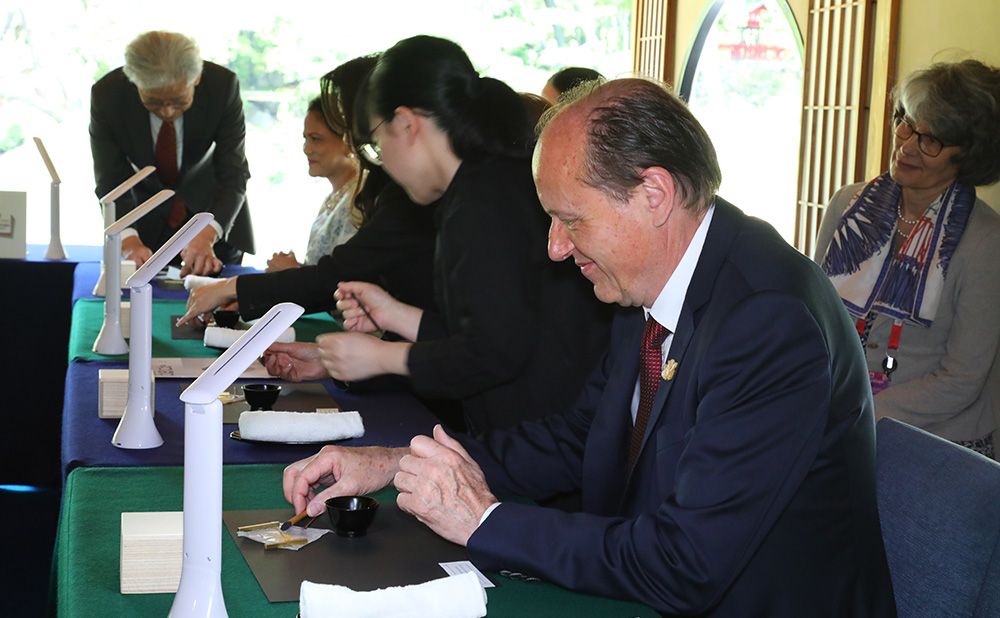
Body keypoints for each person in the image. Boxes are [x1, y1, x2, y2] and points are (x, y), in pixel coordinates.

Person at [282, 78, 897, 615]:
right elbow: (576, 439)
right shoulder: (647, 277)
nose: (554, 247)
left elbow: (687, 564)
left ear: (653, 194)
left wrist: (484, 520)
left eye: (570, 220)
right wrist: (395, 464)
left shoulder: (768, 320)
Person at [265, 35, 611, 435]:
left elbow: (493, 353)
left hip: (547, 437)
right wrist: (397, 316)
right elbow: (494, 327)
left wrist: (383, 357)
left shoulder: (485, 200)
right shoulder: (480, 184)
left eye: (377, 145)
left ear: (408, 124)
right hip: (535, 424)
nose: (384, 164)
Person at [815, 59, 1000, 459]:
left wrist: (857, 413)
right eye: (905, 121)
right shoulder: (848, 205)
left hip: (940, 442)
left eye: (930, 139)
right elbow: (814, 318)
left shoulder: (986, 243)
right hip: (840, 420)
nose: (906, 142)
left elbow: (962, 379)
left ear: (967, 154)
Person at [179, 55, 439, 324]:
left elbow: (338, 274)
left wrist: (231, 288)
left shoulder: (397, 193)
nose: (357, 139)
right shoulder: (382, 187)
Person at [90, 30, 252, 275]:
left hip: (213, 215)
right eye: (154, 102)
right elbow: (111, 178)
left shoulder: (222, 86)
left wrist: (207, 233)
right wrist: (129, 240)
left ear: (196, 78)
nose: (167, 111)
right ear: (135, 83)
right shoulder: (108, 96)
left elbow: (234, 172)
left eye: (178, 100)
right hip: (145, 220)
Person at [265, 95, 360, 273]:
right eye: (305, 138)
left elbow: (343, 279)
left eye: (316, 139)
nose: (306, 149)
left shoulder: (358, 200)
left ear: (348, 141)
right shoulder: (336, 197)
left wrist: (294, 272)